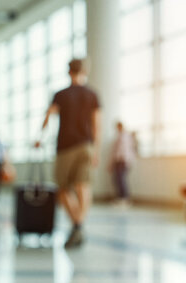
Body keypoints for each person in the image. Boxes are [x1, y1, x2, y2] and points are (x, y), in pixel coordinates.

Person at [36, 59, 100, 248]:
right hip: (86, 145)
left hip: (66, 147)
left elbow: (49, 115)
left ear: (69, 72)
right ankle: (79, 225)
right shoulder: (92, 95)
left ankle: (77, 225)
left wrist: (40, 136)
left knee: (63, 188)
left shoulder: (61, 95)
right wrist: (95, 150)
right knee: (84, 186)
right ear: (85, 72)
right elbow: (97, 125)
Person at [110, 121, 136, 209]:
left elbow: (123, 150)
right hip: (119, 161)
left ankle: (125, 199)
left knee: (121, 180)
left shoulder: (125, 136)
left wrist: (124, 161)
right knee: (117, 180)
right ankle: (121, 198)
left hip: (123, 161)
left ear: (120, 126)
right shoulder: (120, 136)